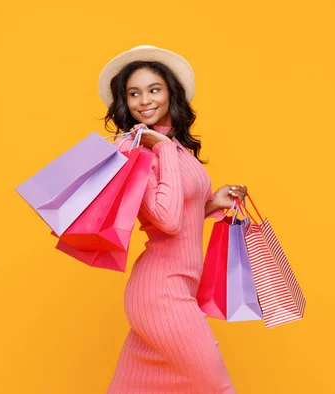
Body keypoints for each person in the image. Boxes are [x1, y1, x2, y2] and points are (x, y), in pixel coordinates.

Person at [98, 45, 248, 393]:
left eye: (153, 89)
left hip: (181, 285)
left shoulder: (176, 147)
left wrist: (213, 204)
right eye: (134, 93)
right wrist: (160, 147)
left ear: (170, 93)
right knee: (216, 387)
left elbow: (180, 211)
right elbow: (165, 220)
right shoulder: (139, 151)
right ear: (125, 101)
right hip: (160, 291)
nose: (144, 100)